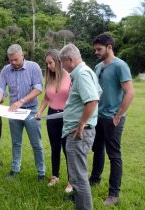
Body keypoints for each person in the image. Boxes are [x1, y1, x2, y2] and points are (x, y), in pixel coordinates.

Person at [89, 33, 134, 206]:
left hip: (113, 119)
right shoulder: (98, 66)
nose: (96, 52)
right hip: (98, 116)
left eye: (99, 49)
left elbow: (130, 92)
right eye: (95, 49)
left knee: (114, 155)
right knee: (97, 150)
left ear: (109, 47)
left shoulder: (120, 66)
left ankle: (114, 194)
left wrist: (117, 116)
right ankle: (94, 179)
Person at [0, 44, 45, 181]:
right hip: (13, 112)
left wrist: (21, 101)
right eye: (11, 60)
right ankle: (15, 169)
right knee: (16, 142)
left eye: (16, 59)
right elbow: (0, 89)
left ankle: (41, 172)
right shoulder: (6, 70)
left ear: (22, 55)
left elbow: (38, 88)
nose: (13, 63)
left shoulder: (33, 67)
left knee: (36, 144)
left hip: (31, 110)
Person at [59, 43, 102, 210]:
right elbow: (98, 92)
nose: (62, 66)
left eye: (62, 63)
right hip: (78, 130)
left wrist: (81, 123)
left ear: (70, 60)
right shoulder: (86, 72)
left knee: (78, 177)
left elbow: (92, 99)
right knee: (77, 175)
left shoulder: (82, 74)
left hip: (78, 133)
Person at [35, 49, 72, 192]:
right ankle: (55, 176)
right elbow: (46, 98)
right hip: (51, 116)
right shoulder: (50, 78)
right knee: (55, 147)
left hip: (66, 116)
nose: (48, 66)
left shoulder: (70, 76)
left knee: (68, 149)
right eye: (47, 63)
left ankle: (72, 180)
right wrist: (39, 111)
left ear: (58, 61)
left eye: (50, 63)